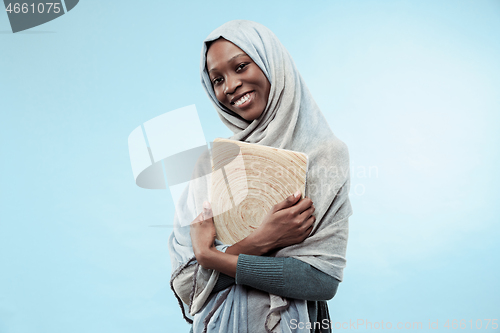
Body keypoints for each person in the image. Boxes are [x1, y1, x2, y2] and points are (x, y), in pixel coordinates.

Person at [168, 20, 352, 333]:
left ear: (272, 63)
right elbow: (189, 285)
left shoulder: (323, 154)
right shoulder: (210, 165)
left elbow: (319, 279)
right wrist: (259, 241)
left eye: (241, 66)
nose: (229, 86)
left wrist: (212, 256)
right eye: (217, 80)